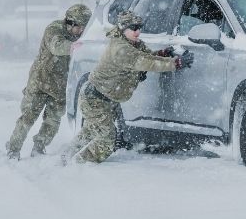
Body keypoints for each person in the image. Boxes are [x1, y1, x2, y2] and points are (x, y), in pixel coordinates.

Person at [63, 10, 193, 164]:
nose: (138, 31)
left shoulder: (132, 43)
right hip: (95, 99)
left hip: (105, 98)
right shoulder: (121, 49)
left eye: (140, 27)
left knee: (91, 131)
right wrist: (175, 63)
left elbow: (146, 56)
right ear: (124, 29)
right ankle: (78, 165)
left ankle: (65, 159)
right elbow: (145, 62)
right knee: (106, 142)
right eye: (133, 28)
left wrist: (163, 53)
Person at [5, 4, 92, 159]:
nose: (81, 31)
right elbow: (56, 46)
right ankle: (13, 149)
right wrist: (73, 47)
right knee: (28, 117)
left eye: (84, 27)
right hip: (40, 81)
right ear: (70, 22)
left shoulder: (81, 36)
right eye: (80, 27)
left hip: (60, 86)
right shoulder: (54, 28)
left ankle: (39, 147)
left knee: (52, 121)